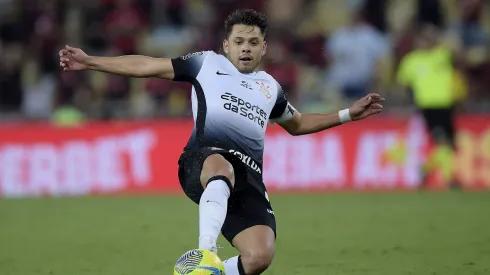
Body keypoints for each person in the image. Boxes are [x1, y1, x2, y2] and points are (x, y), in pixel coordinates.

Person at [59, 9, 385, 275]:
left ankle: (206, 274)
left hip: (248, 176)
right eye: (239, 41)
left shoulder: (270, 88)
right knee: (221, 165)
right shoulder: (206, 64)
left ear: (264, 48)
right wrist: (91, 62)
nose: (246, 47)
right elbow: (147, 65)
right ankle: (205, 254)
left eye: (253, 42)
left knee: (260, 256)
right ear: (226, 45)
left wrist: (347, 114)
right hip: (202, 160)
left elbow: (297, 124)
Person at [396, 23, 464, 188]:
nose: (425, 42)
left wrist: (439, 37)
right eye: (423, 39)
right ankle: (451, 180)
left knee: (450, 144)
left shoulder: (441, 55)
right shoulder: (411, 61)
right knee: (442, 140)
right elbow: (403, 85)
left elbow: (458, 51)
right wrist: (406, 104)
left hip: (447, 104)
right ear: (417, 41)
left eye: (428, 38)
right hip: (428, 106)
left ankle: (425, 170)